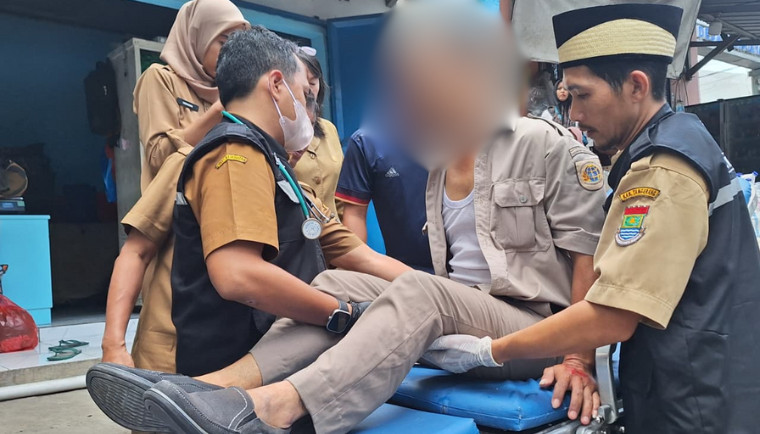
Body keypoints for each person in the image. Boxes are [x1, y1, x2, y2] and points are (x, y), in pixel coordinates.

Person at [85, 2, 607, 432]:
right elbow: (354, 258)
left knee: (405, 292)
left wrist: (577, 359)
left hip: (539, 332)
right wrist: (373, 299)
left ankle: (274, 407)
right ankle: (215, 390)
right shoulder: (438, 167)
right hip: (466, 312)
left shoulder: (542, 144)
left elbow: (589, 261)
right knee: (334, 283)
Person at [423, 4, 760, 432]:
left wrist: (491, 351)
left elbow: (612, 314)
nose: (575, 115)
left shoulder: (663, 169)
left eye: (582, 96)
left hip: (696, 403)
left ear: (636, 86)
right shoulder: (678, 142)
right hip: (699, 385)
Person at [134, 0, 248, 190]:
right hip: (178, 203)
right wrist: (219, 110)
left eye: (237, 48)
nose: (231, 55)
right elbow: (157, 157)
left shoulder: (228, 89)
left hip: (220, 201)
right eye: (223, 43)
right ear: (198, 37)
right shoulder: (160, 78)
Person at [336, 129, 433, 272]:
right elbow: (355, 214)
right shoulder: (367, 142)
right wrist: (357, 272)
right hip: (403, 271)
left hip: (461, 270)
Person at [292, 49, 344, 219]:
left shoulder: (329, 129)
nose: (308, 89)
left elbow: (341, 196)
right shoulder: (275, 130)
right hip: (296, 230)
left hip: (335, 230)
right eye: (301, 83)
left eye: (313, 82)